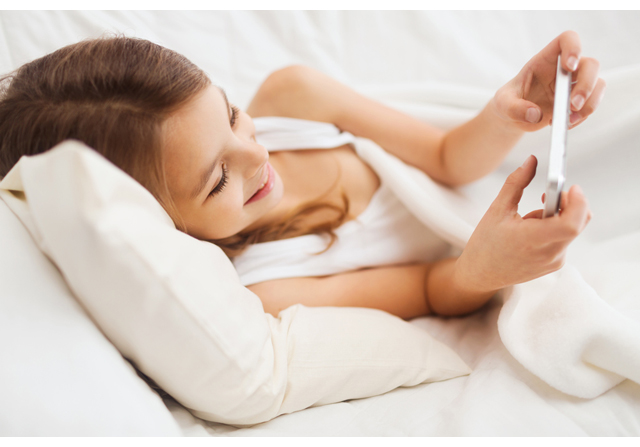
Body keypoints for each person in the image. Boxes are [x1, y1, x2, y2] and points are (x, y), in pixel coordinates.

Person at [0, 32, 602, 320]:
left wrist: (508, 113)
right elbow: (427, 288)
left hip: (493, 179)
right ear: (165, 226)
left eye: (231, 115)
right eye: (218, 181)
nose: (255, 156)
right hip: (477, 255)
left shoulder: (294, 99)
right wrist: (486, 268)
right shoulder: (265, 288)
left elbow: (446, 158)